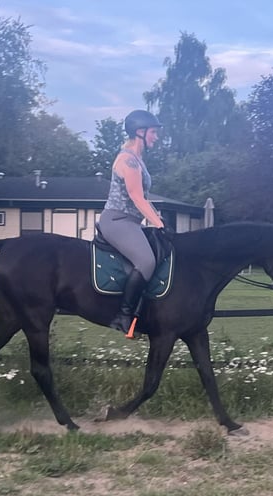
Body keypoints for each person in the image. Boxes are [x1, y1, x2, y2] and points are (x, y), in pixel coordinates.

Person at [99, 109, 166, 337]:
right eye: (153, 133)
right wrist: (158, 223)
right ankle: (123, 316)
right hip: (117, 220)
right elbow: (136, 196)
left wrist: (158, 218)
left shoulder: (138, 159)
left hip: (131, 221)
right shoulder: (128, 160)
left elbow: (143, 199)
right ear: (140, 132)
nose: (156, 137)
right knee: (146, 261)